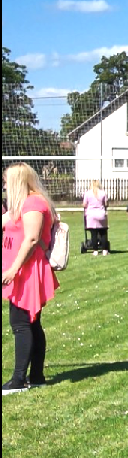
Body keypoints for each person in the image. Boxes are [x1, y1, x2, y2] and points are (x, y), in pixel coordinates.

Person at [2, 163, 60, 395]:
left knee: (21, 323)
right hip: (22, 270)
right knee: (31, 323)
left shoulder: (33, 203)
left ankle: (19, 380)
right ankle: (36, 377)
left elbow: (32, 239)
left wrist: (13, 270)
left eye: (6, 181)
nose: (5, 185)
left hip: (27, 271)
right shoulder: (22, 204)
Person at [83, 180, 110, 255]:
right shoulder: (103, 193)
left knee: (93, 234)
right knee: (103, 233)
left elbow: (84, 204)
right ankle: (104, 250)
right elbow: (106, 204)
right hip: (101, 214)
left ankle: (95, 251)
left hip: (91, 215)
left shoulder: (87, 193)